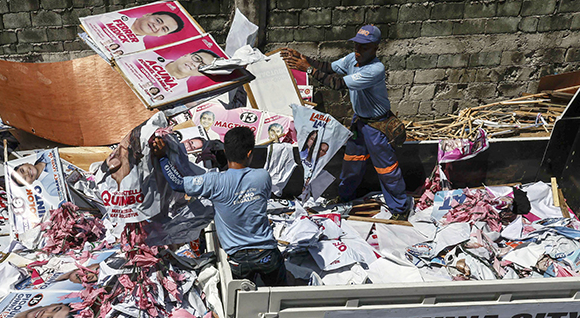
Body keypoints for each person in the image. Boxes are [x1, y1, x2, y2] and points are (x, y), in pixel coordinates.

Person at [283, 25, 410, 220]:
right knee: (352, 162)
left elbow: (338, 84)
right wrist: (304, 58)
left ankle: (400, 208)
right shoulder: (353, 59)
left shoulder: (375, 69)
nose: (358, 51)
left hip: (377, 126)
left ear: (376, 47)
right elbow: (328, 67)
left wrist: (307, 68)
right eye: (356, 46)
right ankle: (345, 197)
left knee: (387, 169)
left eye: (364, 48)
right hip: (360, 122)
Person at [152, 126, 285, 286]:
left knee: (241, 298)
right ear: (249, 153)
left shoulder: (214, 181)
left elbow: (178, 184)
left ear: (226, 151)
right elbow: (239, 183)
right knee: (279, 292)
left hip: (238, 260)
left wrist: (162, 158)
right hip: (267, 255)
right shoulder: (263, 177)